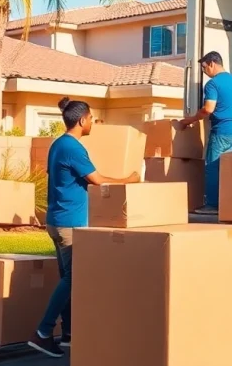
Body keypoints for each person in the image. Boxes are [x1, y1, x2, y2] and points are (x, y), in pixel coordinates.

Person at [28, 97, 140, 358]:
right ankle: (43, 333)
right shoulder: (73, 148)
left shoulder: (58, 144)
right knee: (73, 277)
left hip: (57, 220)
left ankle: (68, 334)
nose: (93, 123)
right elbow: (97, 181)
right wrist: (130, 180)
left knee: (68, 278)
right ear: (81, 120)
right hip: (70, 223)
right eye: (91, 118)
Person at [179, 51, 232, 213]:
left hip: (222, 130)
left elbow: (208, 108)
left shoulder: (213, 84)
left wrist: (190, 120)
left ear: (212, 64)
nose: (204, 72)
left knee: (213, 166)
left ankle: (213, 205)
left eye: (204, 68)